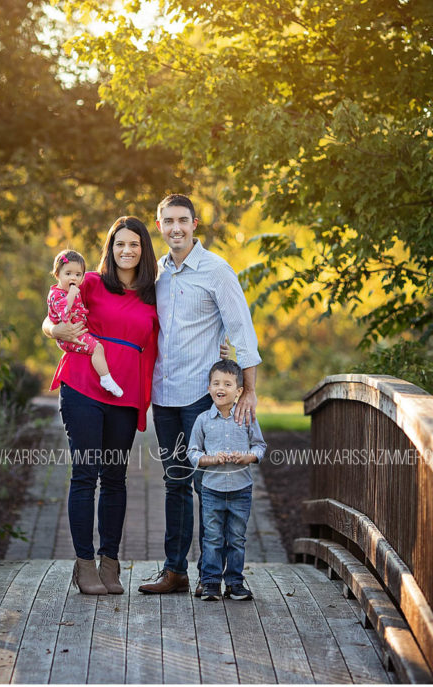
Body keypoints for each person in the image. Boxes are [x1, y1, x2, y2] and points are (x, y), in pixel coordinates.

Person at [138, 193, 262, 596]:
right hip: (165, 395)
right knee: (174, 482)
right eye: (168, 221)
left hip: (201, 398)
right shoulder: (155, 273)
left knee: (207, 484)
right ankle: (175, 572)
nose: (176, 228)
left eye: (183, 220)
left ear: (194, 225)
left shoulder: (216, 270)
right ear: (159, 226)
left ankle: (220, 577)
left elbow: (242, 331)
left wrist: (248, 391)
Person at [41, 217, 159, 595]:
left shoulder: (153, 294)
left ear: (144, 250)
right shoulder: (89, 281)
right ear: (110, 248)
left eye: (134, 244)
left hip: (124, 395)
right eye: (120, 244)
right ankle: (84, 563)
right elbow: (53, 312)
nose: (127, 251)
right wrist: (52, 330)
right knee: (85, 473)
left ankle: (111, 561)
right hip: (83, 387)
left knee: (114, 479)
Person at [187, 359, 266, 601]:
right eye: (216, 383)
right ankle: (210, 582)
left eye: (228, 384)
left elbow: (259, 446)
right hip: (212, 489)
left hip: (241, 489)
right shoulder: (203, 420)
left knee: (236, 538)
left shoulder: (248, 417)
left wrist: (248, 457)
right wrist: (210, 460)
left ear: (239, 390)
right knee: (212, 537)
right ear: (209, 387)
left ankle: (234, 582)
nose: (221, 388)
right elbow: (192, 451)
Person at [47, 249, 124, 397]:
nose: (73, 278)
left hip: (77, 332)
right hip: (69, 336)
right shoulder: (57, 294)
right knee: (97, 348)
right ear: (57, 274)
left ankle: (105, 377)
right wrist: (71, 294)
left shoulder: (71, 290)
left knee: (97, 348)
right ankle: (106, 378)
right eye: (68, 273)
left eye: (78, 275)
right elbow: (63, 313)